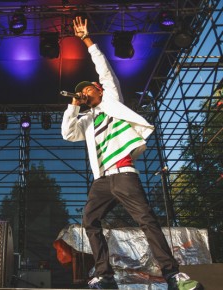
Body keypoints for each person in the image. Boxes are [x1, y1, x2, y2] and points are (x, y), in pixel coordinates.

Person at [61, 16, 203, 290]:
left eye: (88, 89)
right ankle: (104, 275)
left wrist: (86, 40)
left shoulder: (111, 99)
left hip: (124, 172)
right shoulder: (86, 121)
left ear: (99, 90)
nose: (85, 92)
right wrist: (73, 106)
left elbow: (103, 69)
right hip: (102, 181)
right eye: (82, 92)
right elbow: (68, 133)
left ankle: (173, 274)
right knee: (90, 221)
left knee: (146, 220)